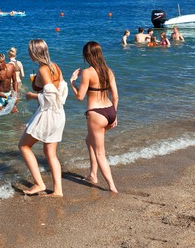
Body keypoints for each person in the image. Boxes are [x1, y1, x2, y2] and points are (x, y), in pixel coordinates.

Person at [18, 39, 67, 196]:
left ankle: (39, 184)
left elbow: (50, 96)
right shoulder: (55, 66)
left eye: (29, 50)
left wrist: (32, 96)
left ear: (34, 52)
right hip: (59, 113)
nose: (28, 53)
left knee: (24, 146)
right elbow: (62, 91)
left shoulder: (43, 70)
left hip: (48, 114)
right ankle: (58, 190)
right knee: (50, 153)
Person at [70, 41, 119, 193]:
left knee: (100, 153)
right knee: (88, 140)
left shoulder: (87, 72)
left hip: (96, 114)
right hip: (110, 111)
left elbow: (80, 97)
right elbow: (115, 96)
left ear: (87, 55)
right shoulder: (108, 71)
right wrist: (115, 116)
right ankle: (92, 175)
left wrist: (72, 82)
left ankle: (112, 187)